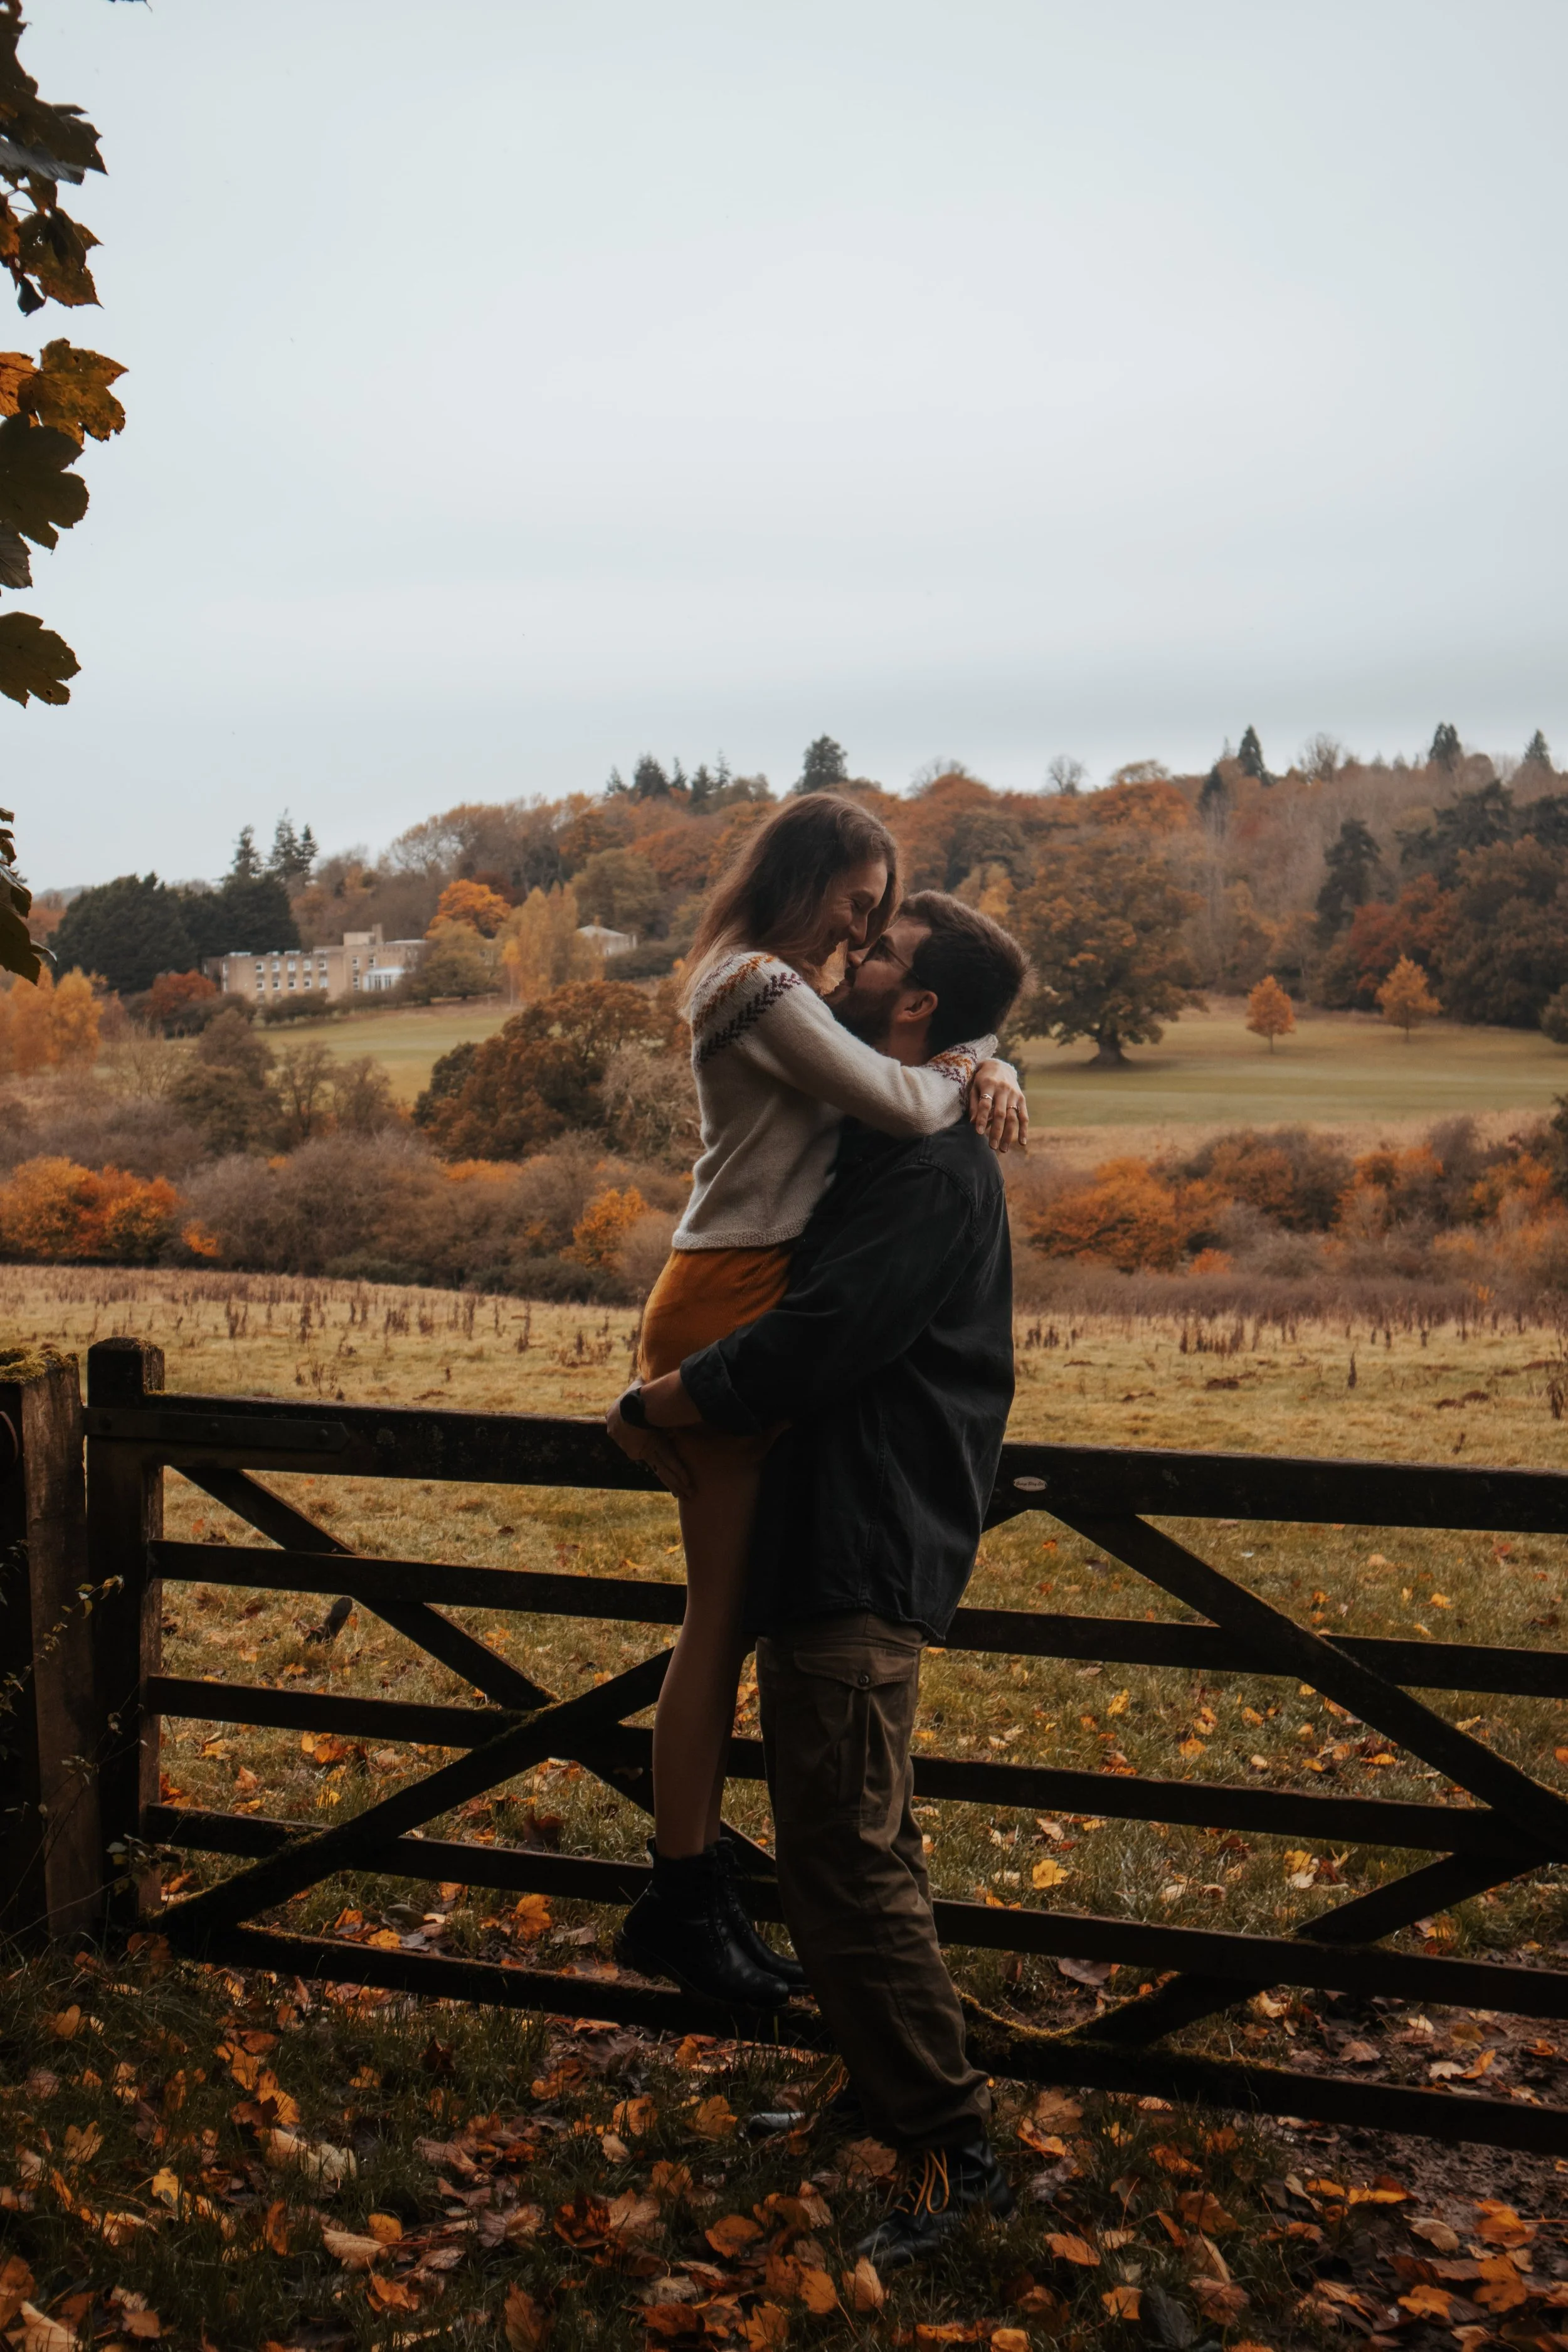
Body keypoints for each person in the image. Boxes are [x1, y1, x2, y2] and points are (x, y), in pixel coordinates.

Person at [608, 889, 1026, 2268]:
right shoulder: (899, 1119)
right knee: (848, 1842)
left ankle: (956, 2146)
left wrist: (671, 1401)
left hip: (864, 1535)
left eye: (880, 955)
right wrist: (986, 1059)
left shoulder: (929, 1168)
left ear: (913, 1005)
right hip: (838, 1527)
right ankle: (876, 2085)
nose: (851, 962)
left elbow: (825, 1337)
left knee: (844, 1854)